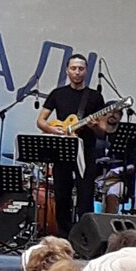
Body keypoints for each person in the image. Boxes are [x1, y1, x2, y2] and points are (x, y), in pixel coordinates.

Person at [36, 54, 104, 238]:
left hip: (86, 152)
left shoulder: (95, 97)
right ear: (67, 70)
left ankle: (85, 238)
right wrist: (53, 130)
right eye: (73, 68)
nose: (77, 72)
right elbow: (41, 121)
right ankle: (64, 237)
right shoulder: (57, 94)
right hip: (62, 151)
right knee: (61, 196)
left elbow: (102, 132)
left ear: (86, 71)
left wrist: (94, 126)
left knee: (85, 197)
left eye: (81, 69)